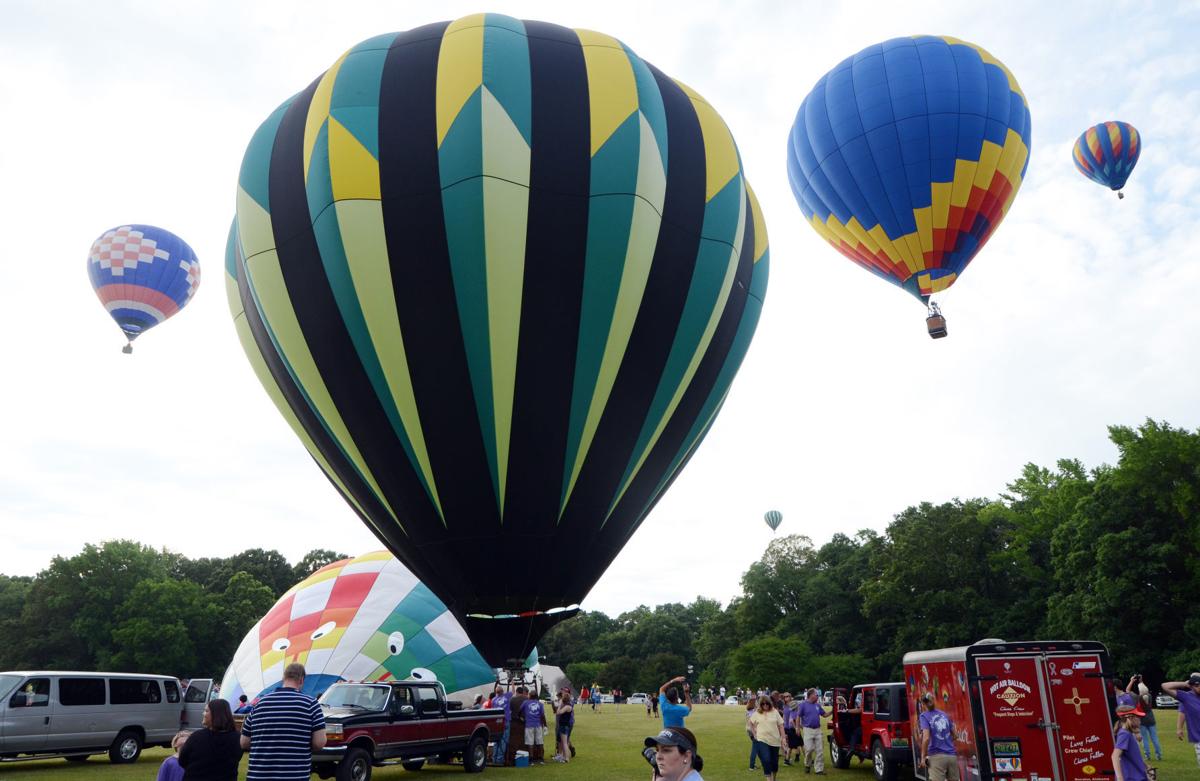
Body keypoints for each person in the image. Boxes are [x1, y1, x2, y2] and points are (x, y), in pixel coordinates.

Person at [239, 662, 326, 781]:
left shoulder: (260, 704)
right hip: (294, 776)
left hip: (258, 776)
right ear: (301, 680)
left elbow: (244, 742)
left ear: (283, 678)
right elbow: (319, 743)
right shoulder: (311, 704)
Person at [180, 699, 243, 780]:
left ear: (216, 714)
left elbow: (182, 761)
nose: (203, 713)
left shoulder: (197, 737)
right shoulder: (237, 738)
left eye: (206, 711)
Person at [1162, 673, 1200, 768]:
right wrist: (1185, 684)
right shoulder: (1186, 697)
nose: (1199, 687)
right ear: (1191, 686)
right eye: (1196, 685)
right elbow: (1165, 686)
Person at [918, 692, 958, 781]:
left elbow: (926, 738)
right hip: (952, 757)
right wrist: (946, 743)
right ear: (933, 700)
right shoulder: (944, 714)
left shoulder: (924, 716)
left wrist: (923, 757)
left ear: (923, 704)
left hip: (936, 757)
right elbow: (955, 735)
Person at [749, 695, 787, 781]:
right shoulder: (757, 713)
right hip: (762, 739)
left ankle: (774, 778)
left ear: (770, 703)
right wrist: (754, 734)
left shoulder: (775, 712)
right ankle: (769, 779)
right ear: (760, 704)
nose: (765, 705)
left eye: (767, 703)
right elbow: (750, 722)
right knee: (766, 759)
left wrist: (783, 738)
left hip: (775, 741)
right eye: (763, 704)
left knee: (774, 763)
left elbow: (781, 725)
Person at [1111, 702, 1148, 781]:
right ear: (1130, 718)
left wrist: (1146, 766)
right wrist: (1120, 778)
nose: (1140, 720)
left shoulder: (1128, 733)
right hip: (1131, 778)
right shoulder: (1124, 734)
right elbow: (1115, 756)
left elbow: (1133, 755)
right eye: (1138, 717)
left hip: (1138, 776)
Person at [798, 688, 827, 774]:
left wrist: (833, 711)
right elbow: (798, 716)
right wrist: (797, 728)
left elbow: (824, 715)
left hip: (818, 730)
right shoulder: (803, 704)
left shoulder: (817, 705)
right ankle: (807, 764)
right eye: (816, 695)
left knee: (820, 751)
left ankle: (819, 769)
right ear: (811, 695)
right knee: (809, 749)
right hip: (808, 730)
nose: (818, 696)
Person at [1134, 683, 1162, 761]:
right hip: (1151, 719)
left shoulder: (1138, 698)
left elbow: (1129, 692)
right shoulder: (1149, 696)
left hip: (1142, 720)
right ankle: (1159, 755)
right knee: (1155, 738)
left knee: (1145, 739)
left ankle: (1147, 755)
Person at [490, 684, 513, 765]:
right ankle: (500, 759)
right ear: (503, 691)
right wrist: (512, 682)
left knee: (496, 741)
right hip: (505, 721)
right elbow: (513, 691)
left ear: (496, 692)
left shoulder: (493, 700)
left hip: (497, 722)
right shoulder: (507, 696)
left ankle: (494, 759)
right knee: (503, 741)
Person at [522, 689, 546, 763]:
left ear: (530, 696)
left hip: (529, 725)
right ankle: (541, 758)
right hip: (538, 725)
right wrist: (545, 725)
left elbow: (520, 711)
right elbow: (542, 715)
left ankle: (531, 759)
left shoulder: (525, 702)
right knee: (540, 742)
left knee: (530, 743)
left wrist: (522, 718)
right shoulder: (540, 704)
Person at [553, 689, 574, 763]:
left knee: (564, 743)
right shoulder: (568, 705)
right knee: (563, 742)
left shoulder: (567, 706)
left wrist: (559, 705)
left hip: (564, 725)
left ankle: (566, 758)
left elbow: (558, 712)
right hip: (564, 725)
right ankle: (563, 757)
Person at [746, 699, 759, 771]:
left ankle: (753, 764)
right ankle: (751, 766)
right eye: (756, 703)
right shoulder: (754, 712)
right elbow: (754, 722)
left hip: (748, 730)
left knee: (757, 747)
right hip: (753, 730)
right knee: (755, 748)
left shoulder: (748, 711)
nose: (757, 704)